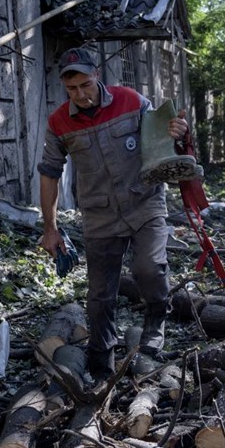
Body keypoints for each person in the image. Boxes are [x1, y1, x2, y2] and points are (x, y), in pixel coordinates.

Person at [37, 46, 189, 382]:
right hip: (99, 215)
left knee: (148, 269)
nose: (81, 95)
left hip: (144, 202)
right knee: (100, 294)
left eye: (86, 85)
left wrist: (175, 131)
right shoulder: (59, 122)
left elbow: (162, 135)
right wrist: (51, 228)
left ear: (97, 76)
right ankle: (101, 361)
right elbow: (49, 173)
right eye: (72, 89)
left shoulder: (131, 101)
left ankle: (154, 323)